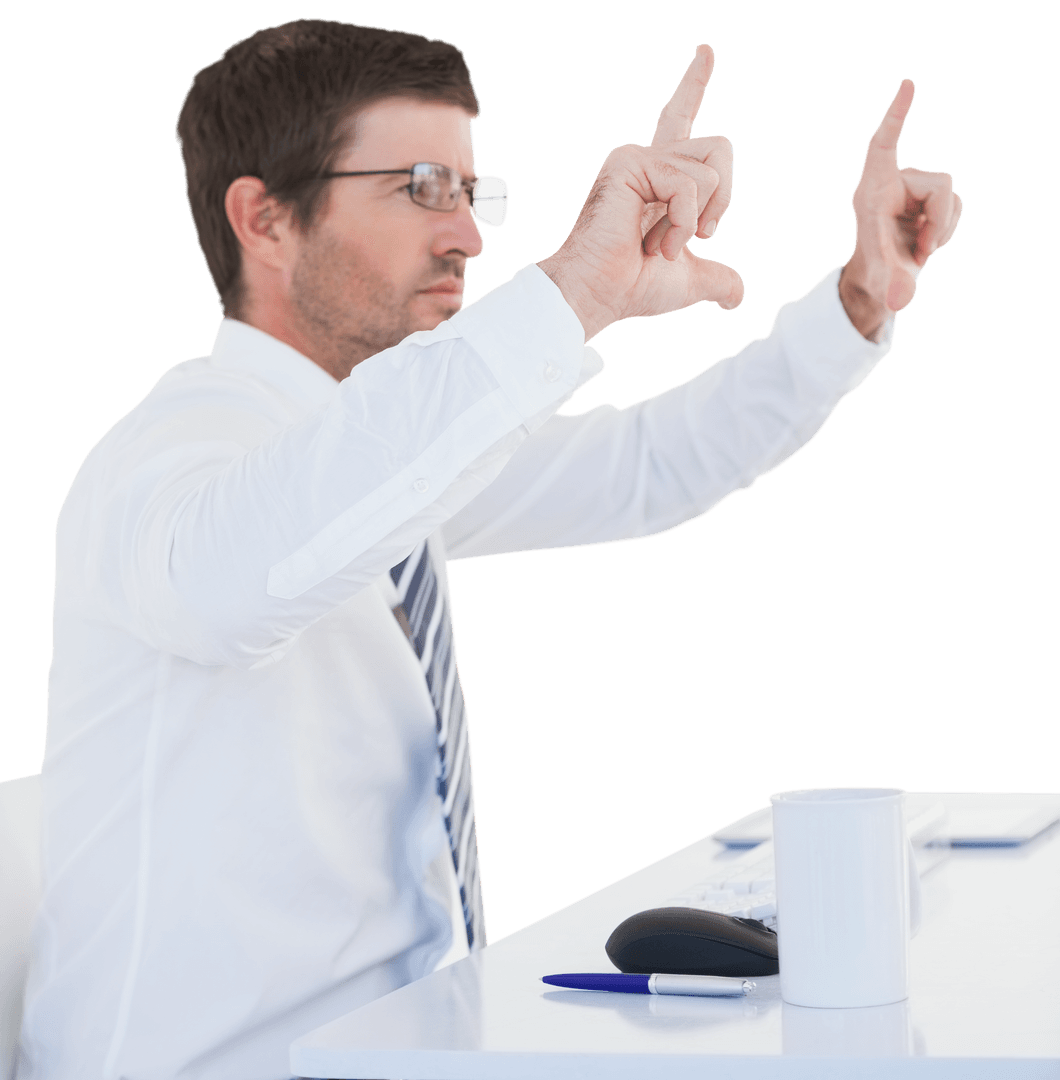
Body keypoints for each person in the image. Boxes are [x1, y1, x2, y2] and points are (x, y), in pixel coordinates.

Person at [17, 17, 962, 1080]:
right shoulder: (167, 458)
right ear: (264, 217)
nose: (466, 236)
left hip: (407, 1051)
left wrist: (851, 306)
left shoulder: (384, 460)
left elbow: (646, 464)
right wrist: (571, 296)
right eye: (422, 187)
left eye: (473, 193)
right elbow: (239, 578)